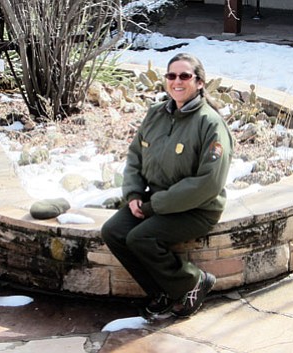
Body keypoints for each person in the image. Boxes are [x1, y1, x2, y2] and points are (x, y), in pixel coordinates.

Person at [101, 52, 234, 318]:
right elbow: (136, 155)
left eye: (185, 76)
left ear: (199, 83)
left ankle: (193, 280)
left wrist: (154, 207)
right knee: (113, 231)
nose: (177, 81)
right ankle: (162, 291)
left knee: (141, 237)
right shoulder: (156, 114)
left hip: (197, 209)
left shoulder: (210, 124)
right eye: (171, 75)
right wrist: (134, 194)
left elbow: (208, 183)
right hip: (155, 199)